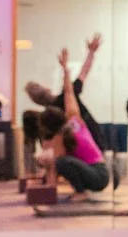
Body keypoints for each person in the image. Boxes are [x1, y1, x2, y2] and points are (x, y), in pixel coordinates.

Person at [32, 52, 111, 197]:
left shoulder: (59, 136)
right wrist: (65, 70)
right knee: (60, 160)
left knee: (61, 161)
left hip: (97, 176)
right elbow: (69, 92)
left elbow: (56, 165)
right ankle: (80, 190)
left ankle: (80, 193)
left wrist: (49, 189)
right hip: (101, 172)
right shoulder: (75, 120)